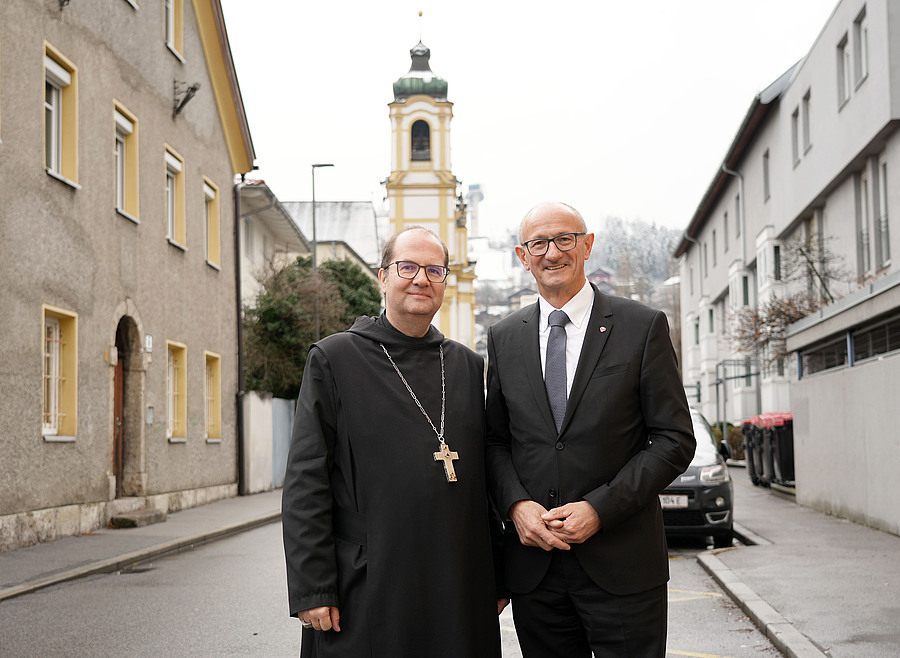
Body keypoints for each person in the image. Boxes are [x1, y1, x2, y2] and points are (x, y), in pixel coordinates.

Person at [485, 202, 695, 657]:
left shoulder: (642, 327)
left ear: (587, 245)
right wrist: (516, 505)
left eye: (564, 239)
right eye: (538, 243)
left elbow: (674, 439)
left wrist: (599, 509)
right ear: (523, 256)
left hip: (622, 564)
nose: (552, 252)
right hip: (535, 568)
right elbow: (496, 441)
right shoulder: (504, 337)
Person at [282, 226, 503, 658]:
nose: (421, 278)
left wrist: (497, 576)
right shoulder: (334, 358)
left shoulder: (466, 365)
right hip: (368, 582)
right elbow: (306, 479)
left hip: (458, 579)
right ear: (382, 277)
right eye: (407, 267)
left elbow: (487, 481)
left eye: (434, 269)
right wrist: (313, 587)